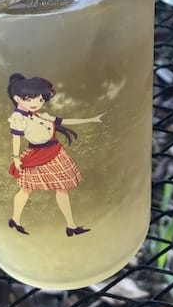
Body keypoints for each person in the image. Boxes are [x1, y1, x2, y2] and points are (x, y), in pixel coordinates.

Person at [6, 73, 102, 237]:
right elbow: (16, 138)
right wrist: (16, 159)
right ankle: (15, 219)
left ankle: (71, 226)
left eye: (41, 99)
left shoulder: (40, 115)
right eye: (30, 99)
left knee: (62, 188)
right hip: (37, 155)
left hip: (54, 152)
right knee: (26, 189)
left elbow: (63, 121)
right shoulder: (18, 118)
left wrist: (91, 119)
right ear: (17, 99)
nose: (37, 103)